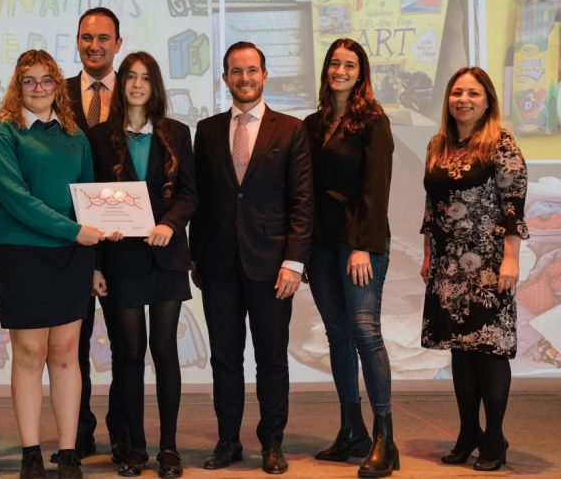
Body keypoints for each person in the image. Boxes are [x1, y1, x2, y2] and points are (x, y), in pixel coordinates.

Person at [189, 41, 313, 475]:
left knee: (271, 359)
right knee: (225, 359)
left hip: (273, 267)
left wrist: (294, 262)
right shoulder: (206, 130)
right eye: (236, 71)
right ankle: (228, 441)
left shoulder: (291, 129)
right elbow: (198, 200)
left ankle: (272, 442)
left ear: (264, 75)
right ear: (225, 78)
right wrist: (196, 258)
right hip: (218, 266)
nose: (244, 78)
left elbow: (302, 202)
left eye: (252, 70)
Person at [0, 49, 104, 479]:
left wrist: (94, 258)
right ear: (17, 85)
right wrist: (73, 230)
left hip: (71, 256)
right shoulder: (2, 132)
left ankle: (67, 454)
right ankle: (31, 453)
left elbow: (88, 199)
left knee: (66, 353)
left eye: (46, 79)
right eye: (28, 80)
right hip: (21, 254)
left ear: (57, 85)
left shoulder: (75, 135)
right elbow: (16, 199)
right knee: (30, 353)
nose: (38, 88)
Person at [88, 51, 196, 478]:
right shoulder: (99, 137)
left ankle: (169, 448)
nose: (137, 85)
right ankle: (135, 448)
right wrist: (96, 263)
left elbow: (189, 194)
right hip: (121, 259)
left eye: (145, 78)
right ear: (121, 85)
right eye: (130, 77)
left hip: (167, 258)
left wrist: (170, 224)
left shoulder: (177, 133)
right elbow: (90, 200)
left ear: (155, 86)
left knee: (164, 350)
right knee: (129, 353)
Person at [420, 67, 528, 472]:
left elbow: (514, 204)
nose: (463, 100)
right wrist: (428, 255)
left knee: (489, 349)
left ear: (487, 101)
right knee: (461, 351)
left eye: (473, 93)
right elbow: (431, 206)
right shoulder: (437, 144)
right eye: (457, 92)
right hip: (448, 263)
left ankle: (494, 437)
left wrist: (511, 258)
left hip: (488, 262)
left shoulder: (501, 143)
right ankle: (468, 432)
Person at [303, 38, 398, 477]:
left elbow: (377, 189)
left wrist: (362, 245)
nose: (340, 70)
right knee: (337, 334)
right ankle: (352, 430)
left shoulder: (373, 121)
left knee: (365, 331)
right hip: (322, 242)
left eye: (350, 65)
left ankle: (384, 438)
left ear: (361, 74)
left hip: (360, 242)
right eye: (335, 63)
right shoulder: (314, 123)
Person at [65, 6, 130, 462]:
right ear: (77, 42)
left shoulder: (135, 91)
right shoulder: (58, 94)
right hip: (71, 241)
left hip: (125, 242)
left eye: (103, 38)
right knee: (72, 345)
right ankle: (79, 430)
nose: (94, 46)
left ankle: (122, 431)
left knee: (126, 345)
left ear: (118, 44)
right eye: (87, 37)